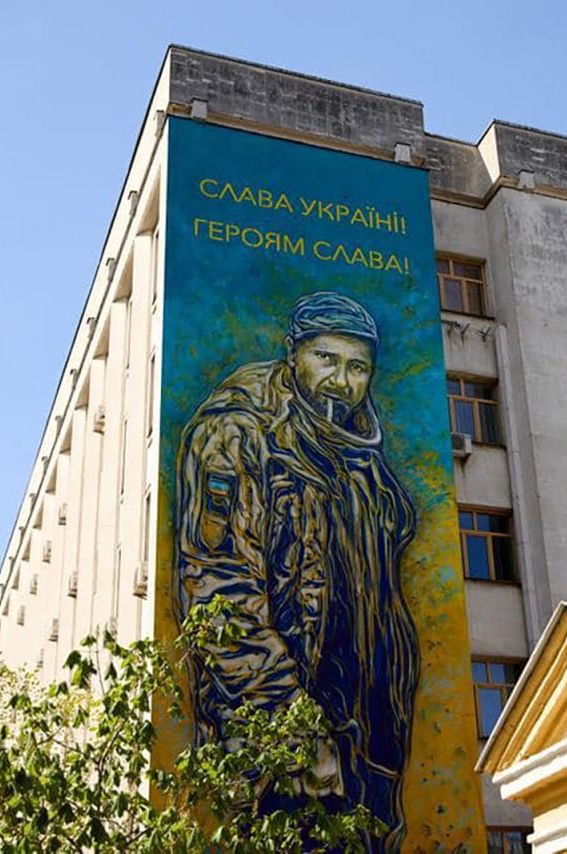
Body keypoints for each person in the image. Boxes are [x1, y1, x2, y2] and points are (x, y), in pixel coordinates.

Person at [175, 291, 419, 850]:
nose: (341, 380)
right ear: (293, 354)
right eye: (326, 359)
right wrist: (294, 725)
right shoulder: (238, 434)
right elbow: (219, 594)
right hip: (284, 736)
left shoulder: (358, 454)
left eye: (358, 367)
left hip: (367, 736)